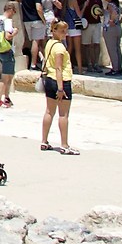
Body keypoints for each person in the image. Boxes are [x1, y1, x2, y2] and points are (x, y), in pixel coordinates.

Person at [39, 27, 77, 155]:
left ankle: (44, 141)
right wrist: (61, 89)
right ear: (54, 31)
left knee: (49, 111)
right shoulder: (60, 48)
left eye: (65, 31)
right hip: (61, 81)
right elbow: (59, 68)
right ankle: (64, 145)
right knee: (63, 114)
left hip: (49, 79)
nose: (65, 33)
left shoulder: (49, 43)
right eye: (62, 31)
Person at [0, 0, 22, 107]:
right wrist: (15, 31)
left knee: (10, 74)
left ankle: (7, 98)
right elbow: (8, 36)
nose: (14, 14)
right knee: (5, 77)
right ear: (10, 10)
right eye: (14, 11)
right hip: (7, 51)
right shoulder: (7, 21)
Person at [17, 0, 47, 70]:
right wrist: (43, 19)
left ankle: (38, 60)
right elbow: (38, 8)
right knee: (36, 41)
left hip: (26, 20)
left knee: (29, 41)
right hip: (36, 20)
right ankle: (33, 64)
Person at [76, 0, 105, 72]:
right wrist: (84, 5)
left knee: (96, 43)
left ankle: (96, 63)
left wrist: (101, 12)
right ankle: (89, 64)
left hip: (96, 23)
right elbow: (77, 10)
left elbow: (101, 9)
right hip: (86, 24)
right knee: (87, 45)